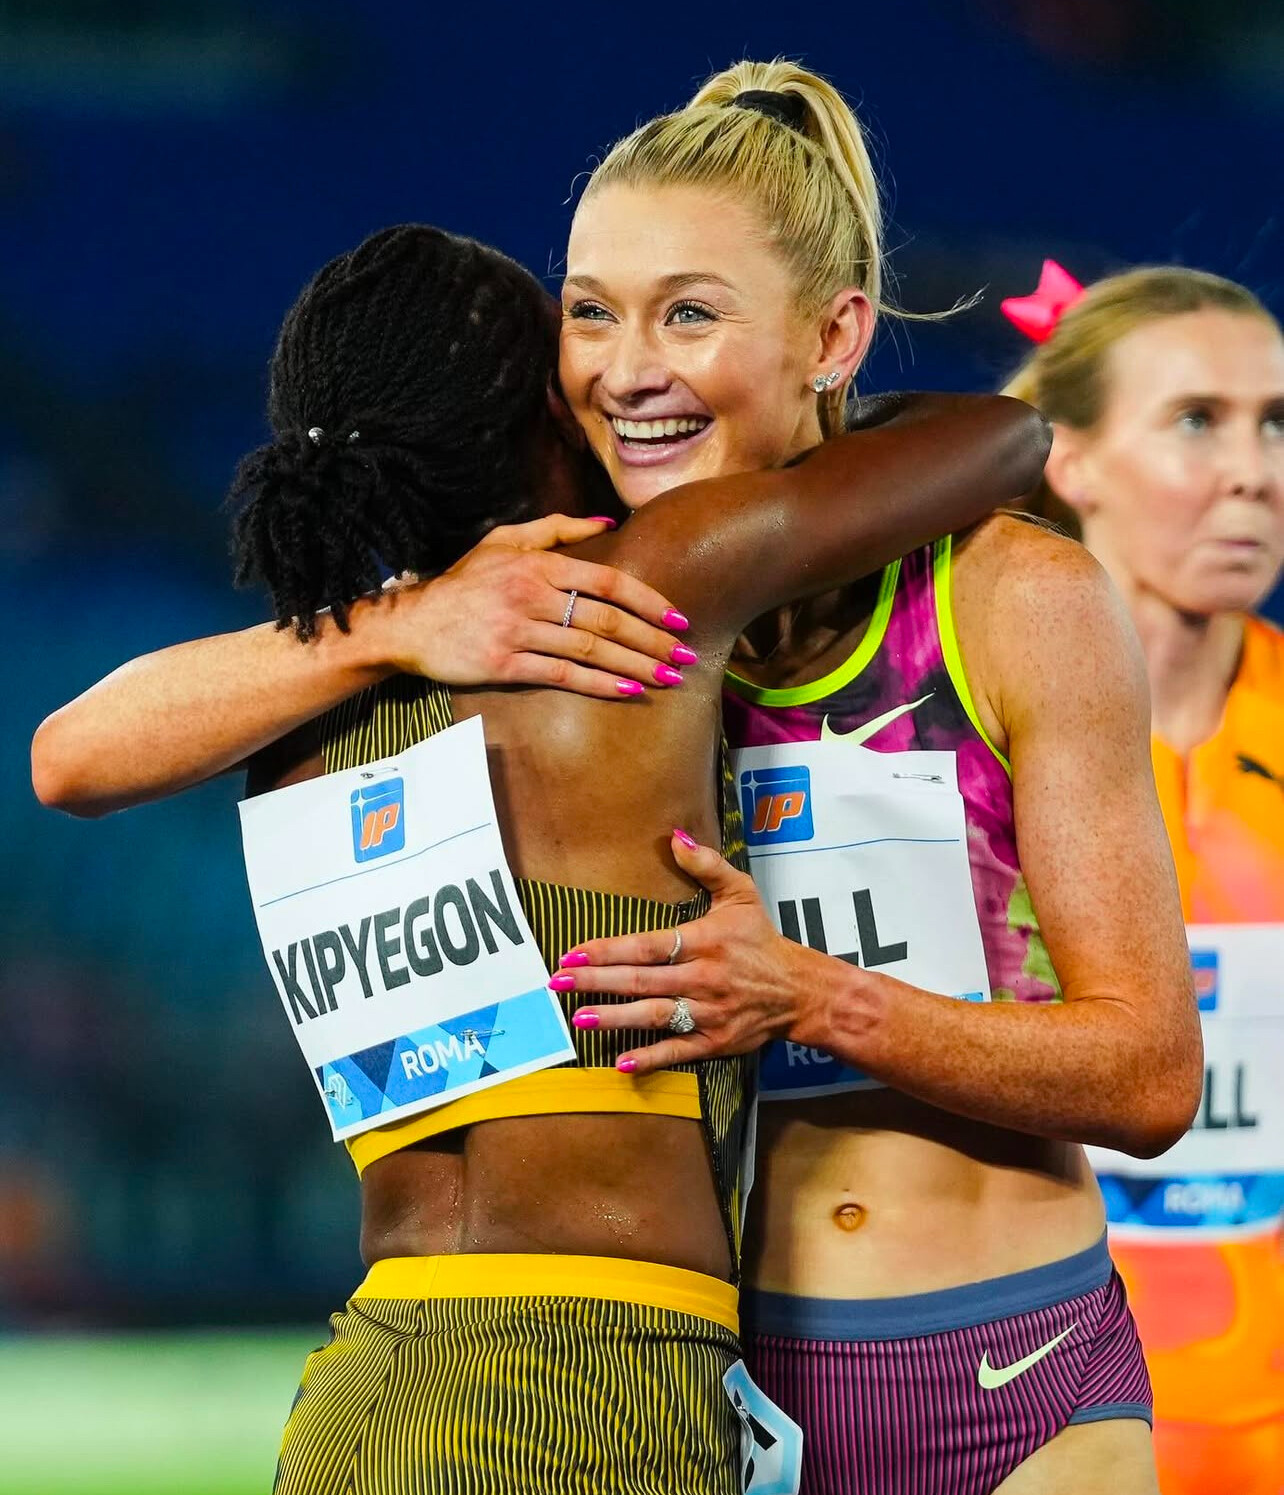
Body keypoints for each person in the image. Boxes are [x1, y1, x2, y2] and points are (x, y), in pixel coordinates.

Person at [67, 214, 1043, 1495]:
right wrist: (764, 392)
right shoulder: (640, 591)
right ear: (546, 404)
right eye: (577, 336)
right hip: (590, 1378)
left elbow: (66, 758)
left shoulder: (294, 719)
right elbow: (1005, 439)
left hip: (366, 1382)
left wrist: (388, 622)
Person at [547, 60, 1202, 1495]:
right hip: (713, 1399)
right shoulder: (575, 621)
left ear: (836, 335)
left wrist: (810, 996)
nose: (627, 368)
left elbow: (1151, 1071)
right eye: (591, 310)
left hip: (1021, 1376)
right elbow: (78, 755)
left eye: (689, 312)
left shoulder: (1014, 599)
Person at [1003, 262, 1284, 1494]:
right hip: (1038, 1433)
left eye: (1275, 424)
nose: (1253, 471)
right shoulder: (955, 741)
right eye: (1197, 420)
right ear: (1071, 459)